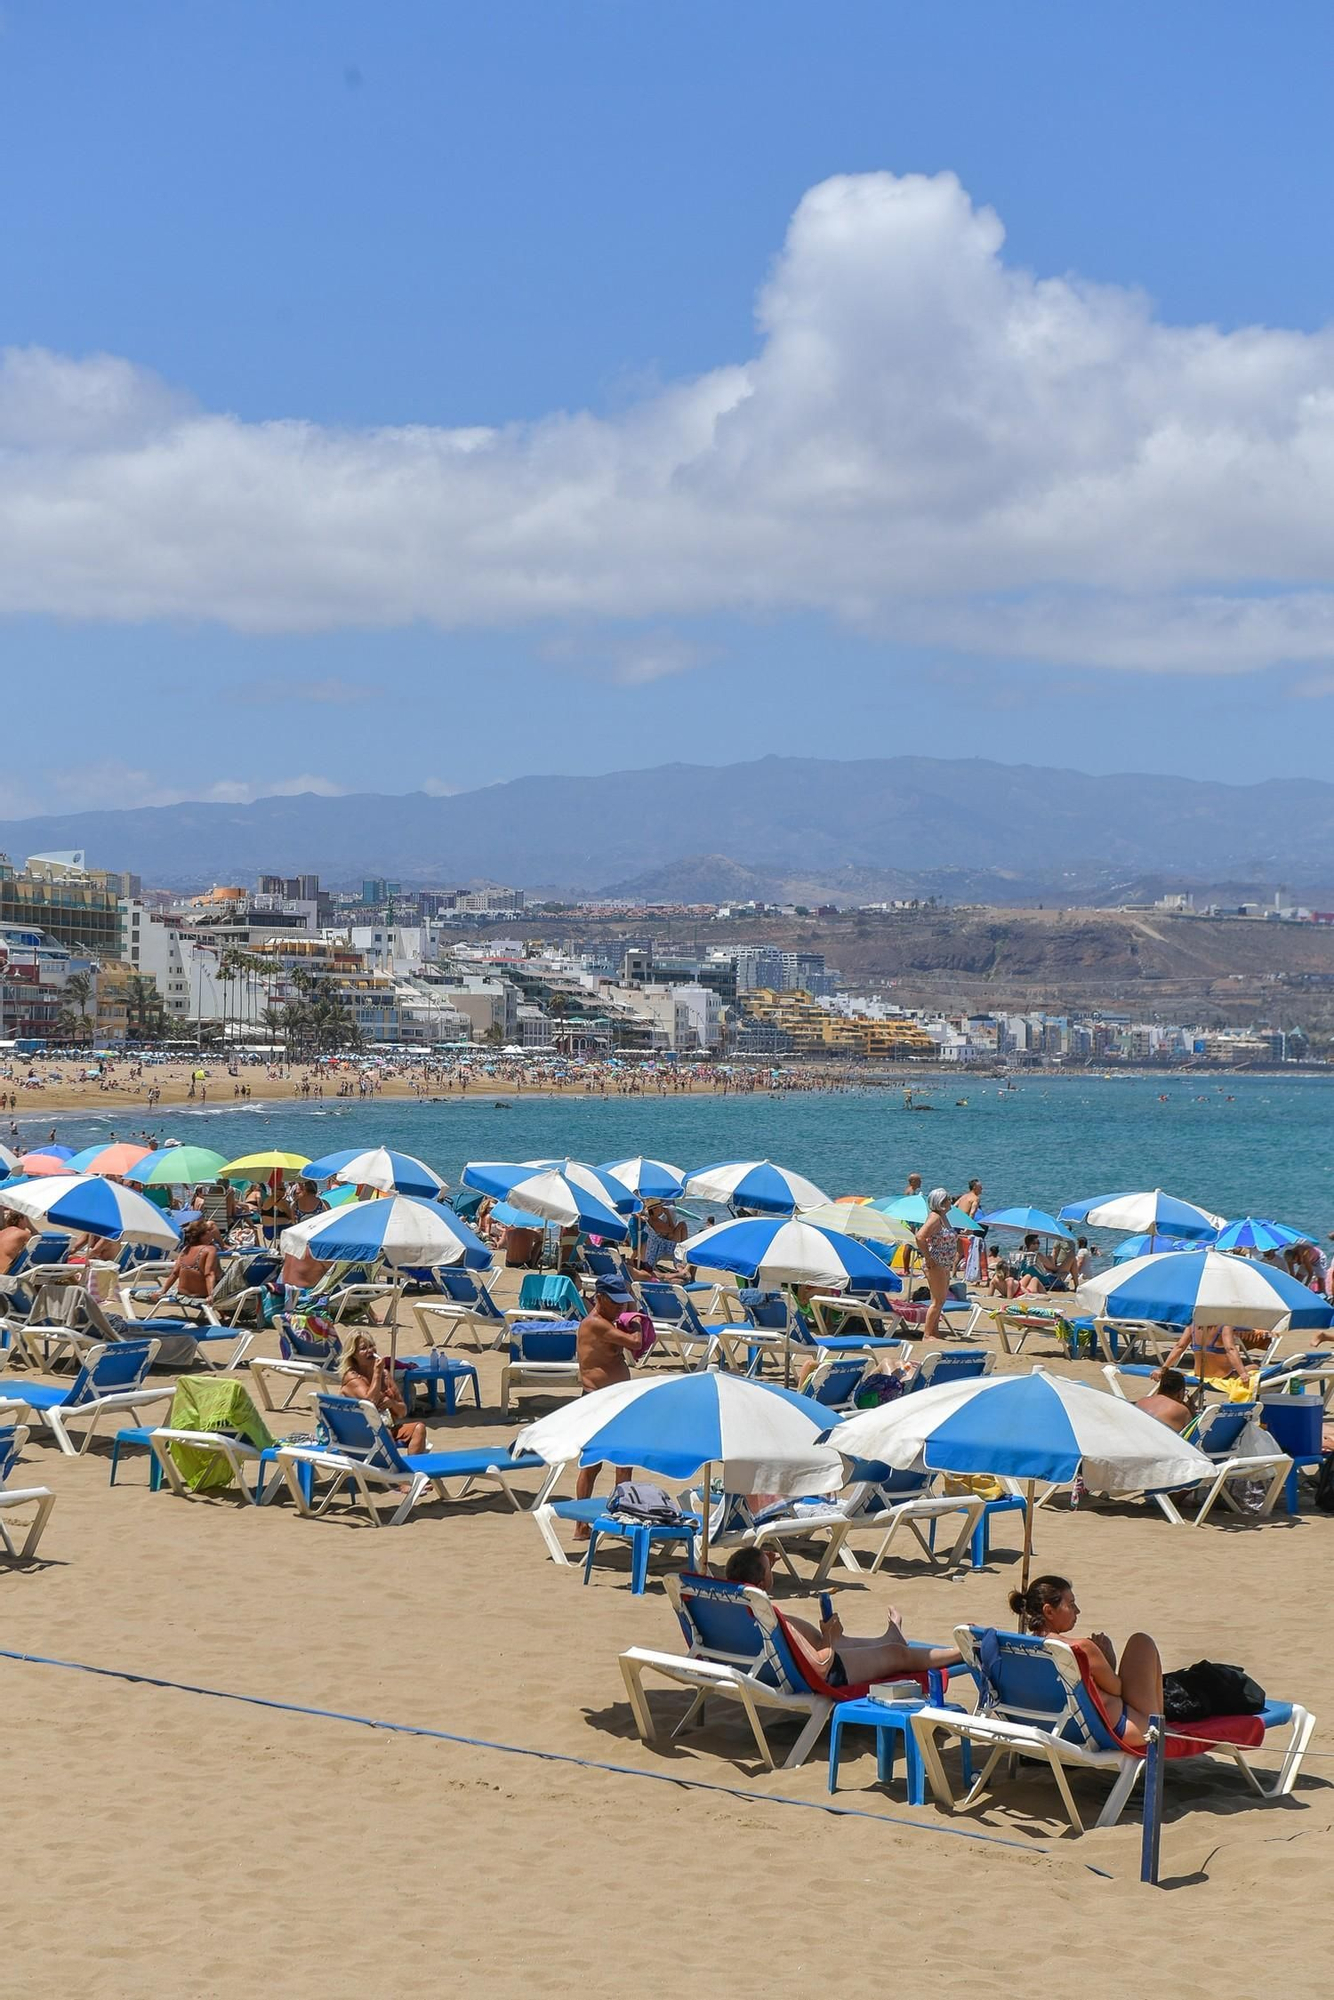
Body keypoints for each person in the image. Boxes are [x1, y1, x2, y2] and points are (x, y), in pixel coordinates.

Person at [724, 1546, 962, 1681]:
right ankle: (961, 1652)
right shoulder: (770, 1620)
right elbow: (820, 1666)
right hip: (822, 1674)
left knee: (829, 1640)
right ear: (762, 1583)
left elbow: (755, 1591)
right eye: (767, 1568)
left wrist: (765, 1567)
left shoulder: (737, 1610)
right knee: (898, 1655)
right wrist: (828, 1634)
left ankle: (888, 1637)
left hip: (769, 1668)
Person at [1008, 1574, 1162, 1751]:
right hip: (1116, 1731)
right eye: (1071, 1604)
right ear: (1049, 1611)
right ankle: (1162, 1728)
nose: (1077, 1611)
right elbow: (1118, 1689)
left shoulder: (1018, 1649)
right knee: (1141, 1642)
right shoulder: (1082, 1648)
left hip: (1052, 1728)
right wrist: (1106, 1658)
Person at [573, 1279, 643, 1525]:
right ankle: (581, 1524)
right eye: (614, 1303)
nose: (619, 1308)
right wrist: (636, 1320)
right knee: (592, 1465)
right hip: (597, 1401)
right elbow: (636, 1342)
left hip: (616, 1401)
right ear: (599, 1297)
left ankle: (620, 1515)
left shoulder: (608, 1322)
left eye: (621, 1303)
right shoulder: (594, 1324)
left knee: (624, 1462)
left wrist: (628, 1305)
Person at [340, 1329, 426, 1455]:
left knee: (419, 1429)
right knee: (384, 1434)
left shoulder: (385, 1375)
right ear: (353, 1355)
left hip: (386, 1428)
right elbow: (370, 1402)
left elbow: (403, 1411)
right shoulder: (352, 1377)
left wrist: (392, 1404)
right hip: (361, 1432)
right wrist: (377, 1373)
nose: (370, 1351)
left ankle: (413, 1470)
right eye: (364, 1348)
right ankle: (394, 1471)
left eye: (372, 1346)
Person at [914, 1188, 960, 1340]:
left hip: (944, 1263)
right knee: (937, 1300)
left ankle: (935, 1332)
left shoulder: (942, 1217)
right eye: (948, 1199)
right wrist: (928, 1257)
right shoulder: (934, 1217)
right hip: (936, 1262)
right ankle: (927, 1334)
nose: (950, 1201)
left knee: (940, 1300)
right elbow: (920, 1237)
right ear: (941, 1202)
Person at [1159, 1319, 1251, 1386]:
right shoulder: (1225, 1326)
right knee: (1255, 1366)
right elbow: (1230, 1349)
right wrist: (1242, 1373)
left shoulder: (1193, 1325)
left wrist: (1164, 1368)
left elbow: (1179, 1346)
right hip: (1223, 1375)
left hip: (1199, 1374)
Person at [152, 1218, 221, 1305]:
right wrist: (211, 1295)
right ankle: (227, 1313)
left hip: (183, 1293)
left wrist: (163, 1291)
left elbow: (175, 1273)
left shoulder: (186, 1249)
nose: (212, 1233)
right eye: (209, 1231)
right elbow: (209, 1274)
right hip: (201, 1295)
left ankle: (223, 1315)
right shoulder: (210, 1249)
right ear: (205, 1234)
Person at [1136, 1366, 1193, 1433]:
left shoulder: (1141, 1401)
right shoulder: (1182, 1410)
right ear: (1180, 1392)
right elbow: (1190, 1435)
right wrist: (1191, 1411)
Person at [0, 1208, 33, 1276]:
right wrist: (32, 1228)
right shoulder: (23, 1234)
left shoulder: (2, 1232)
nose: (27, 1223)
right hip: (7, 1273)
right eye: (26, 1220)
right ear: (21, 1220)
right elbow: (36, 1240)